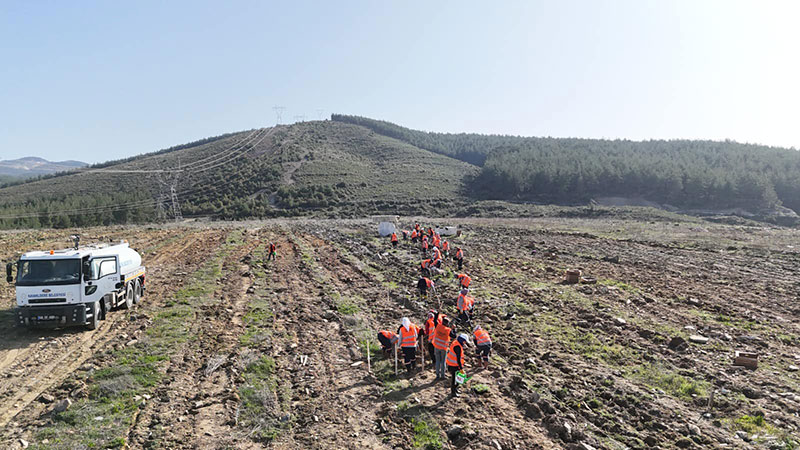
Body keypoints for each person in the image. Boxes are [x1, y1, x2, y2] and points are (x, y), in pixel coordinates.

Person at [432, 312, 454, 380]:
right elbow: (454, 335)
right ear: (447, 323)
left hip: (436, 346)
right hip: (444, 348)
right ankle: (442, 375)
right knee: (443, 362)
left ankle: (437, 375)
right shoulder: (448, 330)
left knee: (438, 361)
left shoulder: (438, 326)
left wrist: (437, 314)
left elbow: (435, 320)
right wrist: (454, 329)